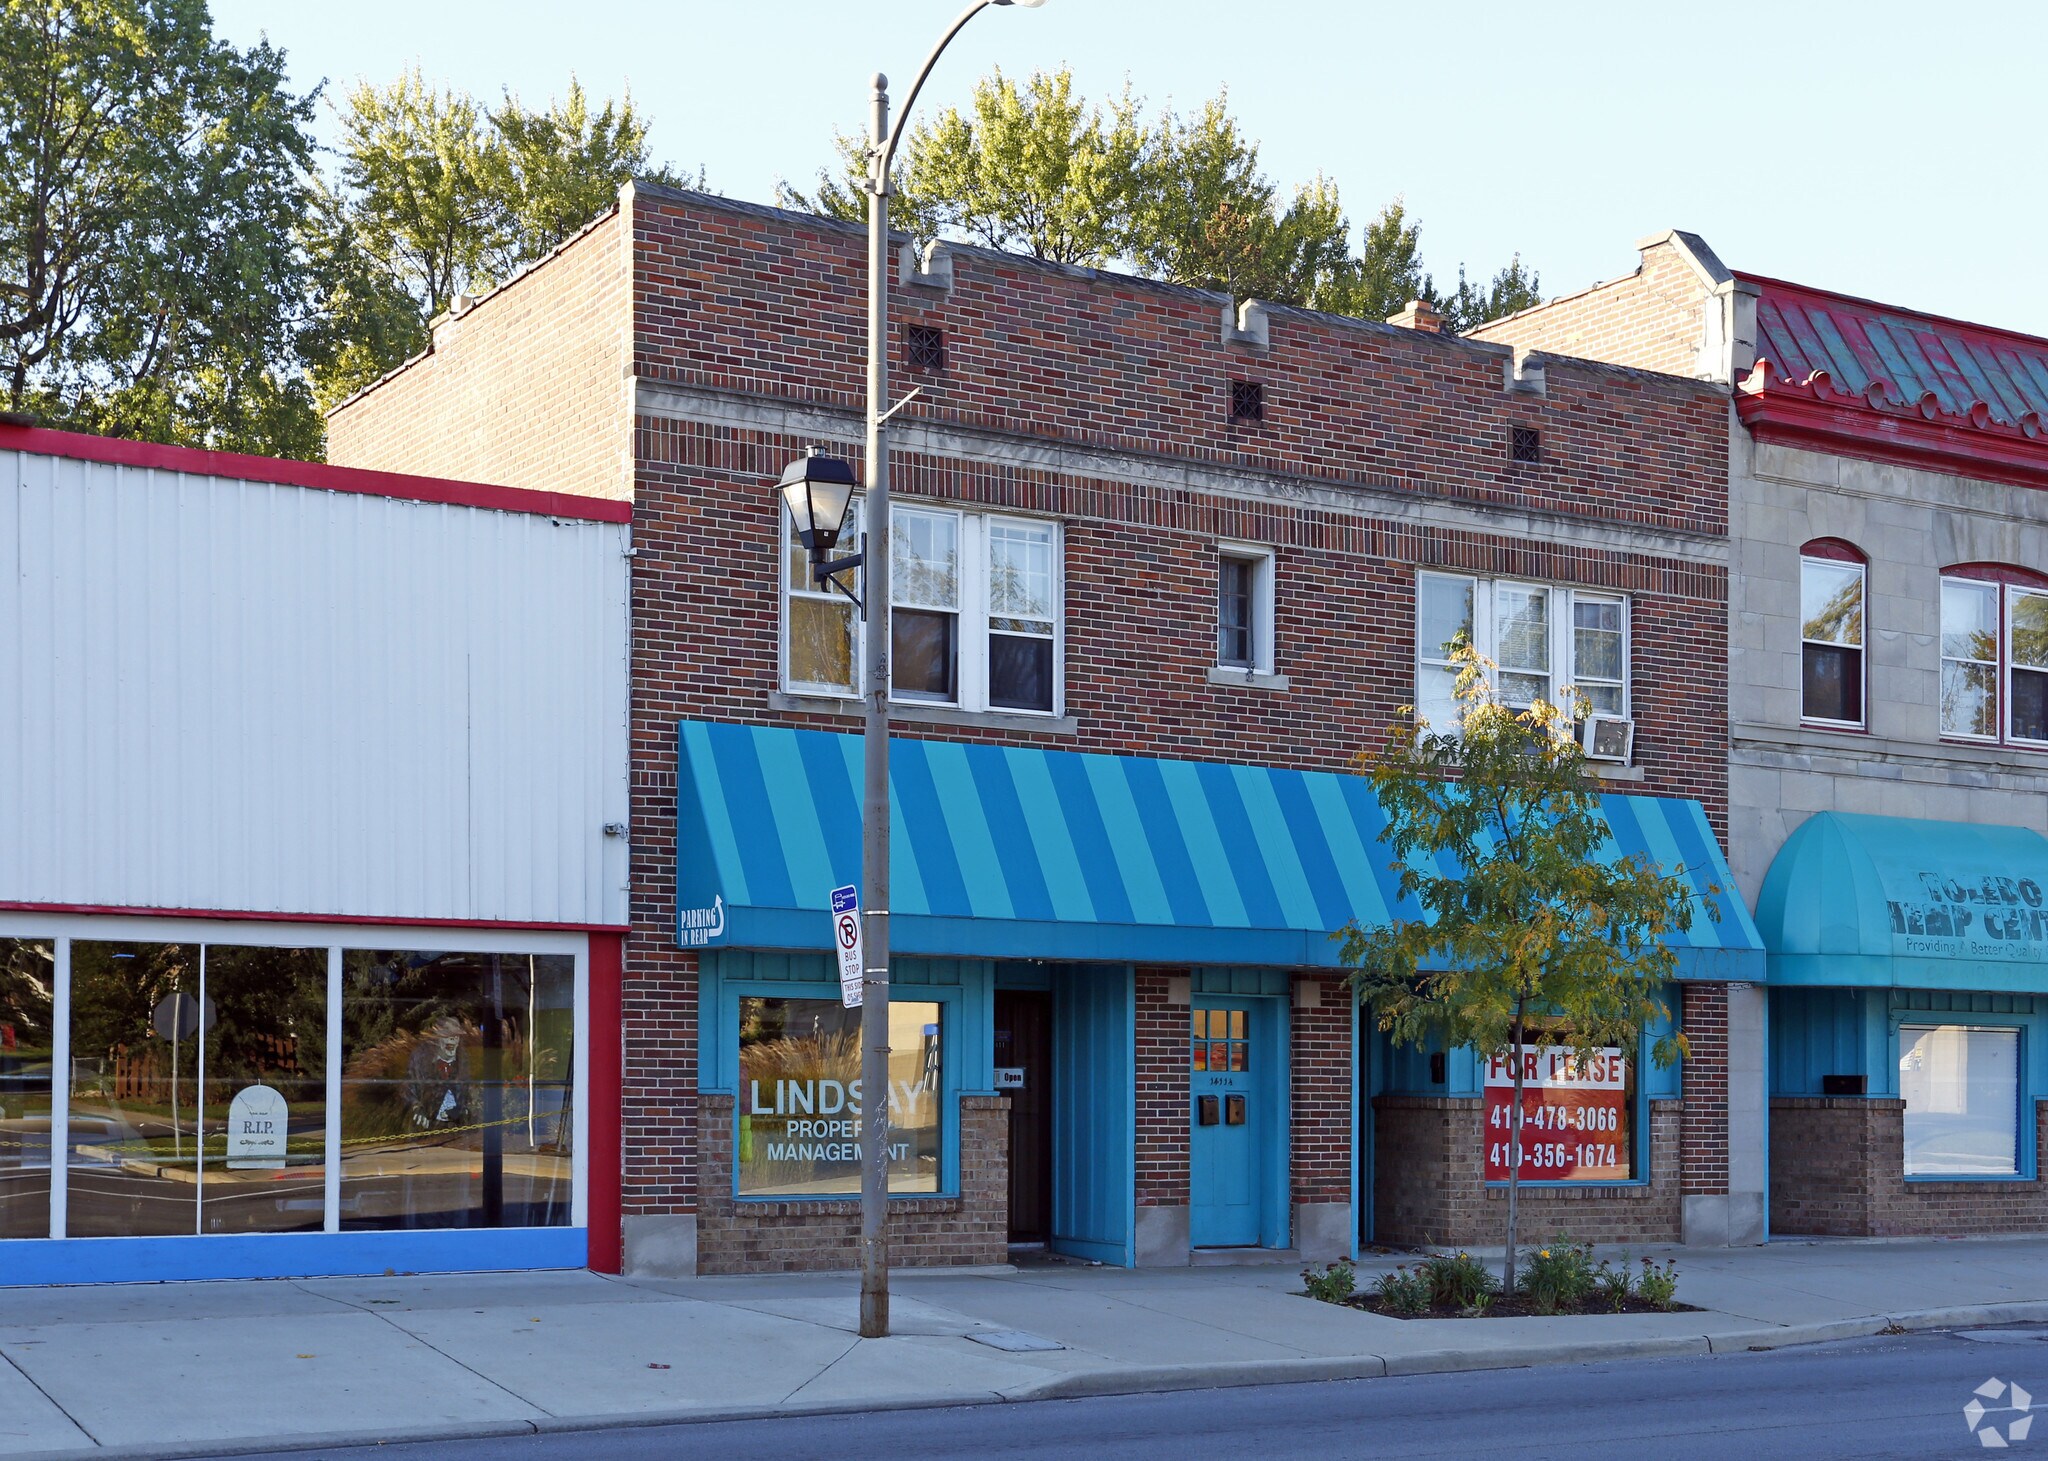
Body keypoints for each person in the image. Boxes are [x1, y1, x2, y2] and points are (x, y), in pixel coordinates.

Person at [402, 1016, 472, 1131]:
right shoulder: (420, 1059)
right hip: (427, 1133)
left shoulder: (463, 1061)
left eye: (456, 1036)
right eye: (447, 1035)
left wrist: (463, 1110)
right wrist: (416, 1107)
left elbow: (468, 1093)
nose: (452, 1039)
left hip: (456, 1134)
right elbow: (408, 1089)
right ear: (437, 1038)